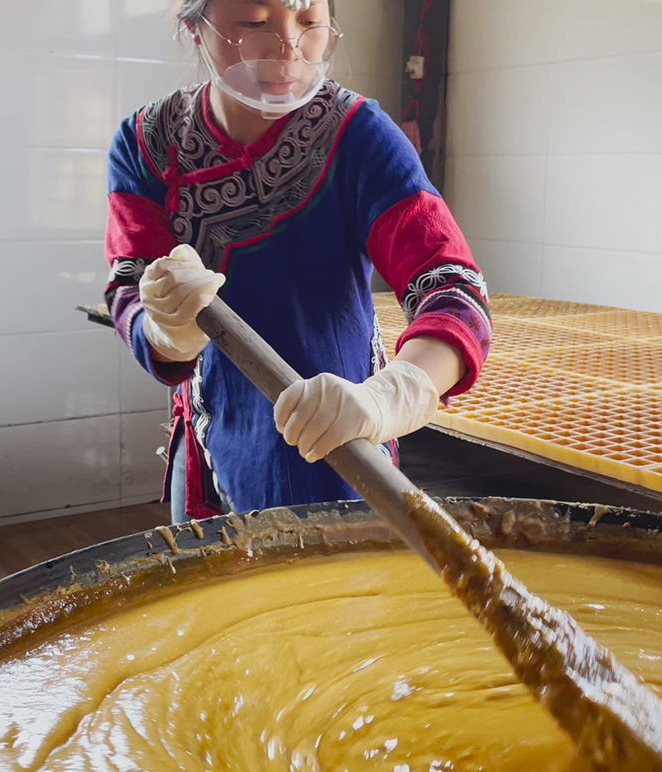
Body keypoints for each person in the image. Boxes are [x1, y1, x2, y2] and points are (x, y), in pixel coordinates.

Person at [105, 0, 491, 524]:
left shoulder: (358, 135)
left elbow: (454, 289)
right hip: (215, 445)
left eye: (310, 23)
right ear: (195, 28)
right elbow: (128, 284)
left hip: (346, 448)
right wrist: (165, 330)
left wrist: (390, 397)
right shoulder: (148, 145)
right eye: (255, 25)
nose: (289, 50)